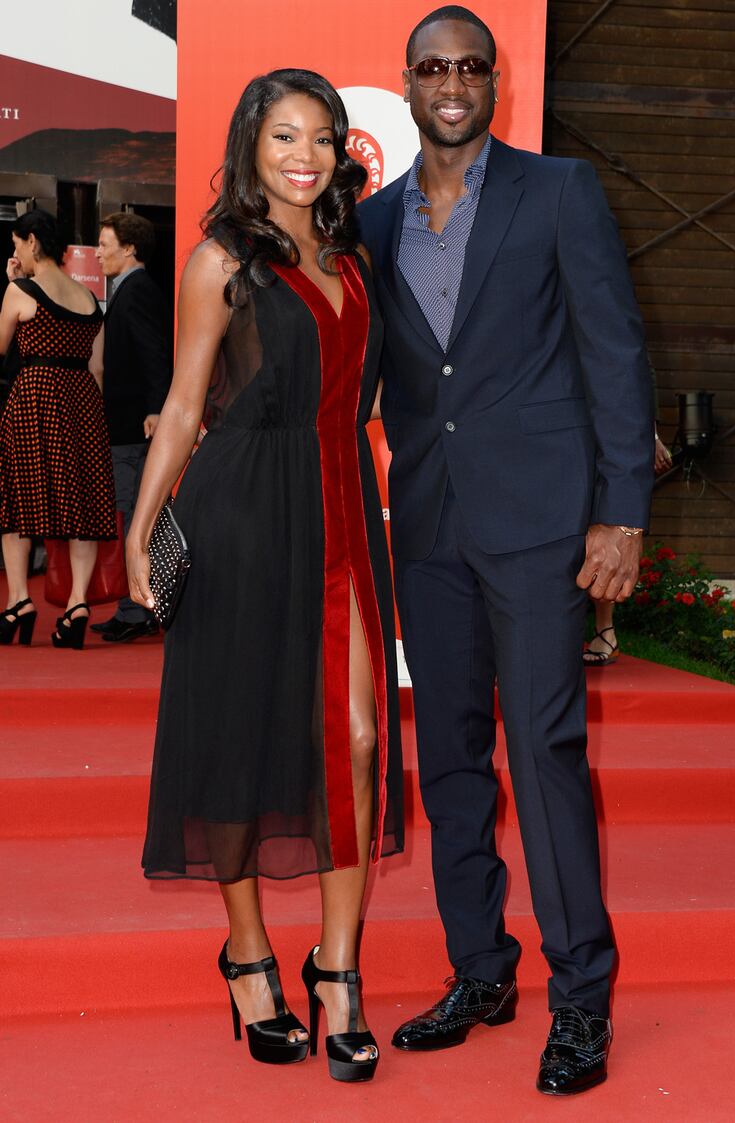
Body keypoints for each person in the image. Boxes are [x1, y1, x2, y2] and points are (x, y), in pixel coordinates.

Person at [358, 6, 653, 1096]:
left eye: (468, 67)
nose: (450, 83)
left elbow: (614, 352)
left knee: (541, 754)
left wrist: (619, 513)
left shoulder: (558, 193)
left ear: (496, 82)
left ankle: (580, 997)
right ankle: (479, 970)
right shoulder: (376, 219)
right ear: (406, 83)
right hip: (428, 525)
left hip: (538, 528)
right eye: (431, 67)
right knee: (448, 763)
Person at [126, 70, 403, 1083]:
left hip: (336, 507)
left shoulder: (353, 255)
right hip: (241, 511)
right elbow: (186, 401)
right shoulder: (218, 261)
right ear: (250, 144)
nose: (305, 153)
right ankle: (247, 953)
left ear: (340, 151)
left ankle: (338, 968)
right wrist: (139, 530)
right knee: (236, 733)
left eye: (322, 137)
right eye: (284, 135)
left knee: (360, 736)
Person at [0, 208, 115, 649]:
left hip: (34, 398)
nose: (16, 255)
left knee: (15, 504)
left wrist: (8, 284)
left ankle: (17, 601)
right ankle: (78, 603)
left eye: (15, 246)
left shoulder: (21, 290)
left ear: (31, 242)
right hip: (83, 403)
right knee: (80, 508)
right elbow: (98, 368)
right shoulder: (89, 299)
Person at [92, 212, 171, 643]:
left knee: (135, 516)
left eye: (105, 243)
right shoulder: (127, 289)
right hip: (127, 424)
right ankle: (137, 606)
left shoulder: (137, 290)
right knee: (135, 514)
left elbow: (153, 351)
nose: (98, 252)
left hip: (134, 427)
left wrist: (157, 408)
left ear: (129, 248)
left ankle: (137, 609)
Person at [584, 424, 672, 666]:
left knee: (602, 533)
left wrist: (650, 436)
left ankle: (605, 631)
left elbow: (628, 391)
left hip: (603, 442)